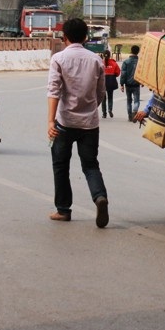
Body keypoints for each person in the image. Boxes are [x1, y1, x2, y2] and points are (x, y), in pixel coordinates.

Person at [46, 18, 109, 227]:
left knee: (60, 165)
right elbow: (101, 93)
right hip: (89, 123)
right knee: (91, 165)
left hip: (65, 122)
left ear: (64, 37)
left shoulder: (58, 59)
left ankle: (63, 210)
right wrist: (91, 107)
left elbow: (53, 91)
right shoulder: (96, 60)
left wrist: (50, 121)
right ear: (85, 37)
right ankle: (99, 196)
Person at [119, 44, 142, 122]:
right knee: (136, 100)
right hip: (136, 84)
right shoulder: (140, 62)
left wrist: (122, 84)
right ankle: (134, 111)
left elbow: (123, 74)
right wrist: (142, 82)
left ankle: (130, 116)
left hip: (128, 85)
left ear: (131, 51)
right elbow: (142, 73)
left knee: (129, 101)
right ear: (138, 52)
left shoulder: (126, 62)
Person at [100, 50, 120, 119]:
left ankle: (104, 113)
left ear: (103, 55)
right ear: (110, 55)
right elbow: (117, 72)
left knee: (103, 98)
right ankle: (110, 110)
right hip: (111, 81)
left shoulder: (100, 63)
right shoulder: (113, 63)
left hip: (102, 82)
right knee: (110, 97)